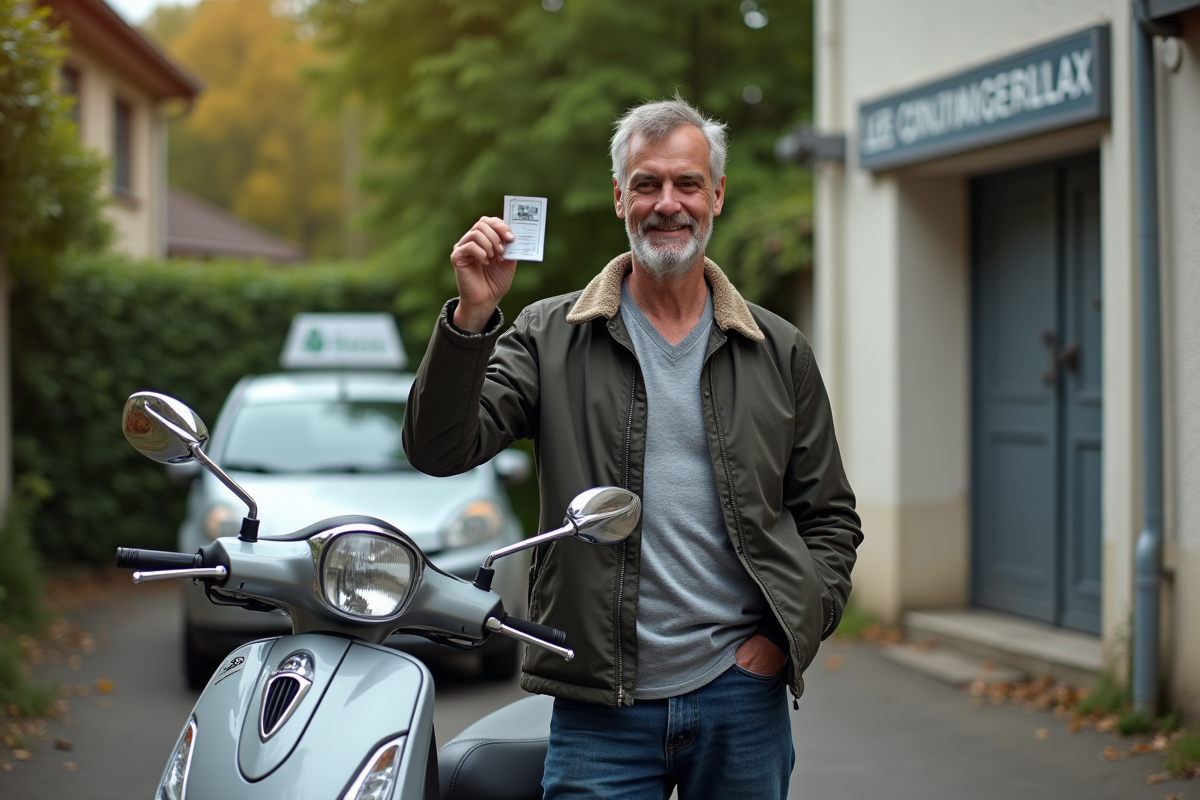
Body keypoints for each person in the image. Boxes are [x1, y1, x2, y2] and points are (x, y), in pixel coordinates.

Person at [403, 96, 862, 800]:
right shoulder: (548, 333)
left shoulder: (778, 350)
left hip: (741, 697)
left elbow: (829, 519)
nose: (667, 203)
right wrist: (472, 317)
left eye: (686, 184)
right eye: (647, 184)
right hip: (598, 705)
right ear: (620, 198)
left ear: (716, 195)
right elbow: (440, 448)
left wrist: (781, 640)